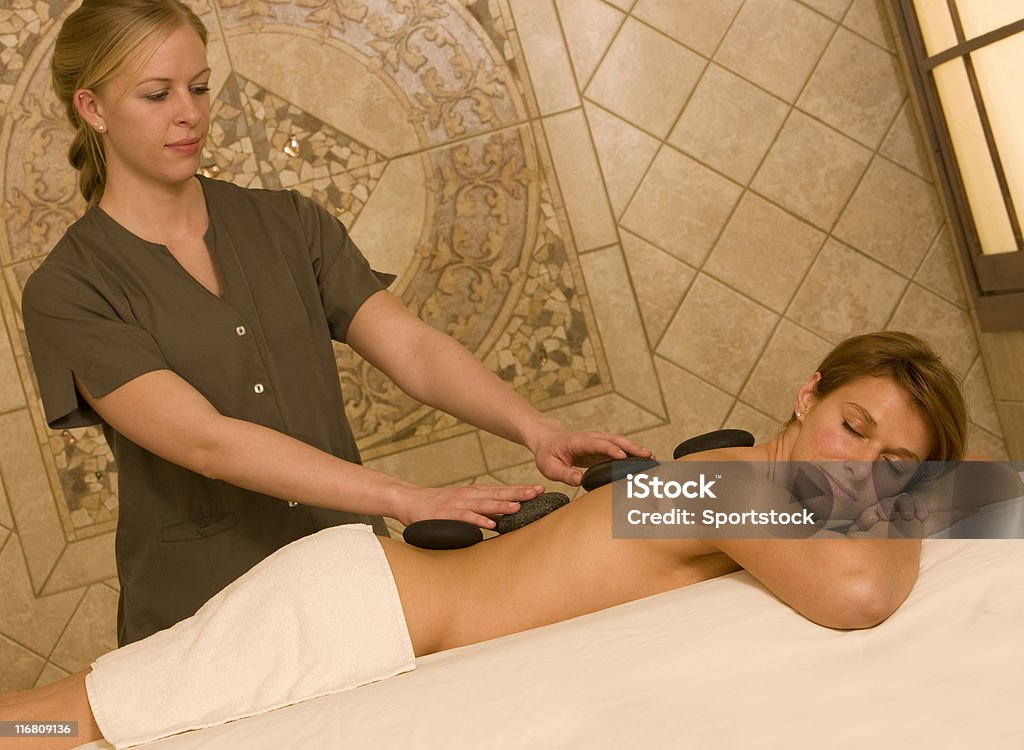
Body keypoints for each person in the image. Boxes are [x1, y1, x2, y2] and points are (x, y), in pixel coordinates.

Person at [5, 330, 1004, 750]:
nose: (859, 470)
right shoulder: (731, 480)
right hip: (353, 612)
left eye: (894, 464)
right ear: (808, 396)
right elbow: (857, 598)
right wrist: (919, 498)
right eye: (854, 429)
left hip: (374, 613)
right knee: (61, 727)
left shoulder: (742, 476)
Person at [21, 0, 650, 646]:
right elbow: (205, 440)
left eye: (200, 87)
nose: (190, 112)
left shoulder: (288, 223)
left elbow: (411, 348)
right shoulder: (69, 291)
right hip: (204, 626)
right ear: (92, 108)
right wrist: (403, 498)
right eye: (157, 94)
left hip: (356, 590)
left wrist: (538, 430)